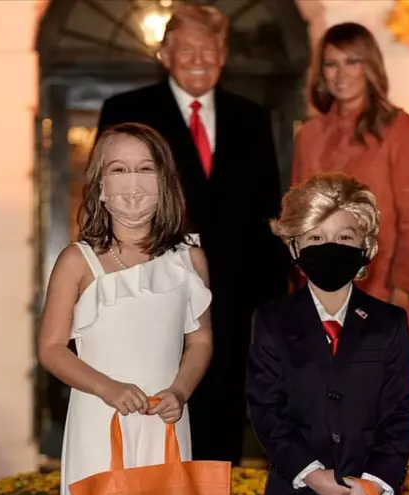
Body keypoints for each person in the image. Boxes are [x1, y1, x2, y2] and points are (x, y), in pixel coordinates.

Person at [96, 4, 288, 464]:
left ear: (223, 55)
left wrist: (272, 309)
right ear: (165, 55)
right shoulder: (126, 112)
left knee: (220, 436)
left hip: (233, 306)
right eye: (186, 49)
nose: (198, 59)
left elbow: (269, 218)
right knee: (150, 429)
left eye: (209, 49)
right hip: (148, 293)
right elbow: (104, 203)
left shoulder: (252, 117)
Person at [37, 122, 213, 495]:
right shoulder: (77, 261)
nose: (132, 182)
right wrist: (108, 388)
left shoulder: (189, 259)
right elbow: (51, 348)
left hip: (166, 419)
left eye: (145, 169)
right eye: (119, 169)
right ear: (100, 185)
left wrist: (180, 391)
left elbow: (201, 341)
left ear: (164, 181)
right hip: (100, 418)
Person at [246, 174, 409, 495]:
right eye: (316, 238)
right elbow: (266, 408)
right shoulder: (271, 321)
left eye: (344, 237)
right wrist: (311, 473)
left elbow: (401, 410)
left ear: (365, 246)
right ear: (295, 246)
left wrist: (373, 481)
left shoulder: (389, 323)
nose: (330, 247)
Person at [291, 22, 409, 445]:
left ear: (370, 66)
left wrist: (401, 292)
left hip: (380, 289)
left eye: (352, 61)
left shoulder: (397, 128)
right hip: (318, 294)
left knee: (379, 422)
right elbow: (297, 222)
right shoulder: (309, 135)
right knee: (320, 422)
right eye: (331, 64)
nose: (341, 73)